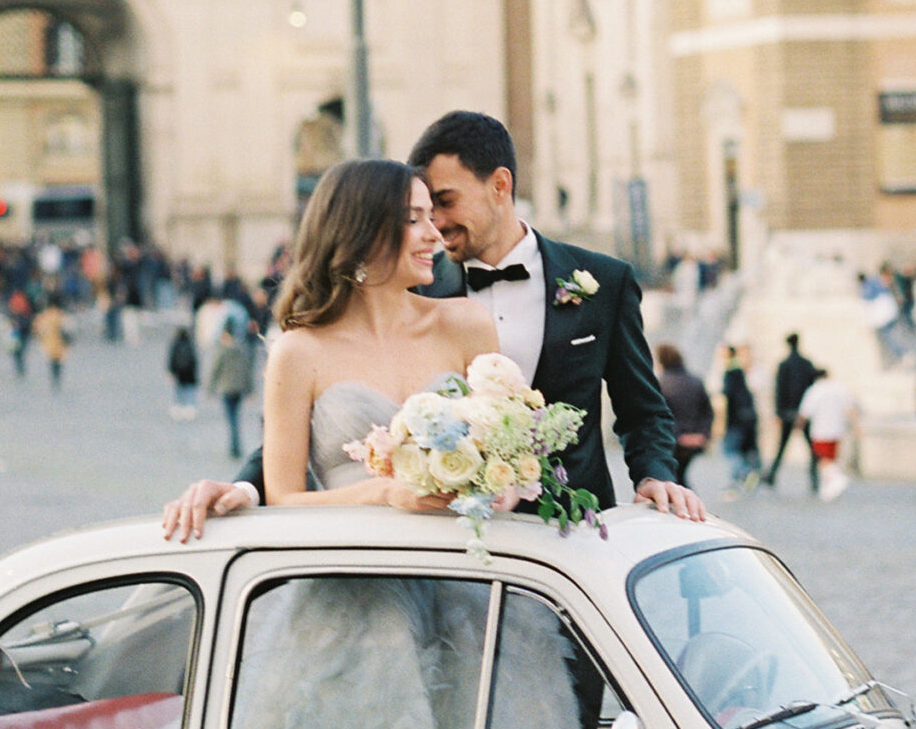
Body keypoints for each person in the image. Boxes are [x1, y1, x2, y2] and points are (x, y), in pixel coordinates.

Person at [162, 109, 700, 538]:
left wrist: (657, 476)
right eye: (419, 214)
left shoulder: (602, 281)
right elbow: (323, 425)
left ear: (500, 185)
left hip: (568, 543)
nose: (436, 228)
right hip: (441, 548)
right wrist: (245, 489)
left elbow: (641, 407)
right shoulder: (414, 287)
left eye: (444, 203)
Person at [224, 159, 583, 729]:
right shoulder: (299, 352)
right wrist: (385, 494)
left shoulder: (465, 323)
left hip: (468, 589)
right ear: (361, 232)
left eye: (432, 216)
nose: (434, 233)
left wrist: (505, 486)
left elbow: (507, 444)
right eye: (412, 219)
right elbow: (284, 497)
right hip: (360, 601)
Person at [655, 342, 713, 485]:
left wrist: (679, 436)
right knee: (679, 477)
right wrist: (702, 434)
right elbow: (707, 412)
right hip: (694, 440)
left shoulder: (661, 384)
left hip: (672, 440)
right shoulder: (696, 381)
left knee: (674, 479)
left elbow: (659, 415)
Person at [796, 369, 858, 502]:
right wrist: (856, 427)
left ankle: (838, 478)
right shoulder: (839, 388)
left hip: (820, 430)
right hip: (837, 430)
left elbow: (804, 412)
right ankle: (828, 489)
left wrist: (798, 426)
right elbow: (850, 408)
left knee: (823, 460)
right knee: (831, 458)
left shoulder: (814, 390)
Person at [767, 334, 819, 490]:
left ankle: (771, 475)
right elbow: (812, 389)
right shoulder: (807, 364)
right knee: (811, 449)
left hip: (788, 412)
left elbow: (779, 390)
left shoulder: (784, 365)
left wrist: (778, 412)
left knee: (782, 447)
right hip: (804, 412)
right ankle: (814, 478)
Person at [206, 319, 255, 461]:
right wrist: (250, 389)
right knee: (236, 417)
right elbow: (247, 370)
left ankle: (234, 447)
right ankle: (236, 446)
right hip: (239, 388)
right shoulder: (242, 349)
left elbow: (215, 369)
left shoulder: (222, 350)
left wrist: (210, 388)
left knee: (231, 418)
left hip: (226, 388)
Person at [719, 345, 761, 492]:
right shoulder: (741, 371)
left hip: (736, 418)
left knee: (729, 450)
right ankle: (744, 476)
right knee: (743, 450)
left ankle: (743, 474)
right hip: (747, 417)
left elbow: (728, 394)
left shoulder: (731, 371)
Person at [33, 300, 70, 391]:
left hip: (49, 342)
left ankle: (54, 377)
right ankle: (57, 377)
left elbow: (37, 329)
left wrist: (40, 338)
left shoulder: (43, 316)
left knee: (52, 361)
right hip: (60, 343)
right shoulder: (61, 315)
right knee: (58, 361)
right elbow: (68, 327)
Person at [167, 320, 199, 419]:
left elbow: (171, 358)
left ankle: (178, 407)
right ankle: (190, 407)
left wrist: (170, 371)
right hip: (190, 372)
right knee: (189, 390)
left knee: (179, 390)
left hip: (178, 372)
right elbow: (195, 359)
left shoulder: (175, 344)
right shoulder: (190, 344)